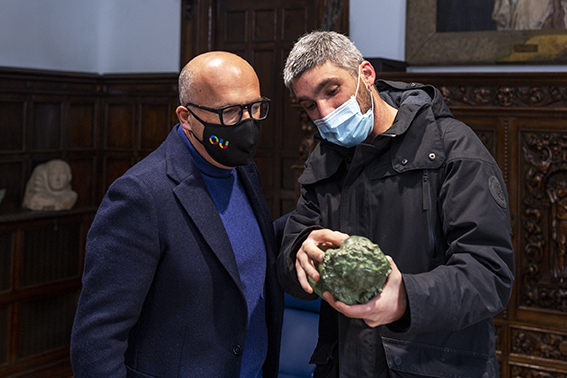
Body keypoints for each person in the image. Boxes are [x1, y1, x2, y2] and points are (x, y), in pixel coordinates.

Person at [277, 31, 515, 377]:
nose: (325, 113)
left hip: (434, 364)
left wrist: (407, 298)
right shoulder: (324, 161)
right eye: (310, 105)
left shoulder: (454, 149)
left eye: (332, 91)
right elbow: (289, 265)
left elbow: (489, 275)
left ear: (366, 75)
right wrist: (299, 252)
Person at [71, 51, 284, 378]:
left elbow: (240, 250)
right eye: (229, 112)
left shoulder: (243, 171)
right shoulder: (140, 195)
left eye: (255, 108)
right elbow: (96, 341)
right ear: (186, 117)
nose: (247, 124)